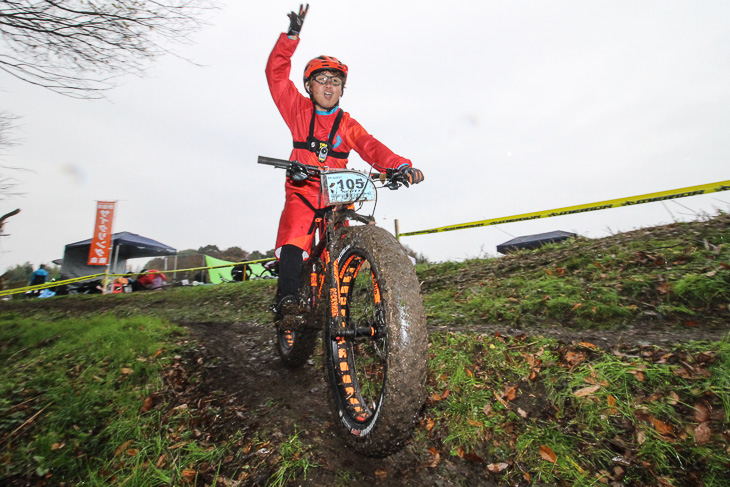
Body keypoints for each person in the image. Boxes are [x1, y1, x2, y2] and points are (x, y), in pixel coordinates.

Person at [266, 4, 425, 317]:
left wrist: (399, 166)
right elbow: (276, 76)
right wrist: (291, 37)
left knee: (344, 241)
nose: (329, 86)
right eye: (321, 79)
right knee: (295, 236)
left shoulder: (347, 124)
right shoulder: (298, 111)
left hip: (336, 196)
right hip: (303, 190)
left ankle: (365, 305)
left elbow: (371, 147)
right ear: (309, 86)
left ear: (342, 89)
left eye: (335, 81)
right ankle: (286, 299)